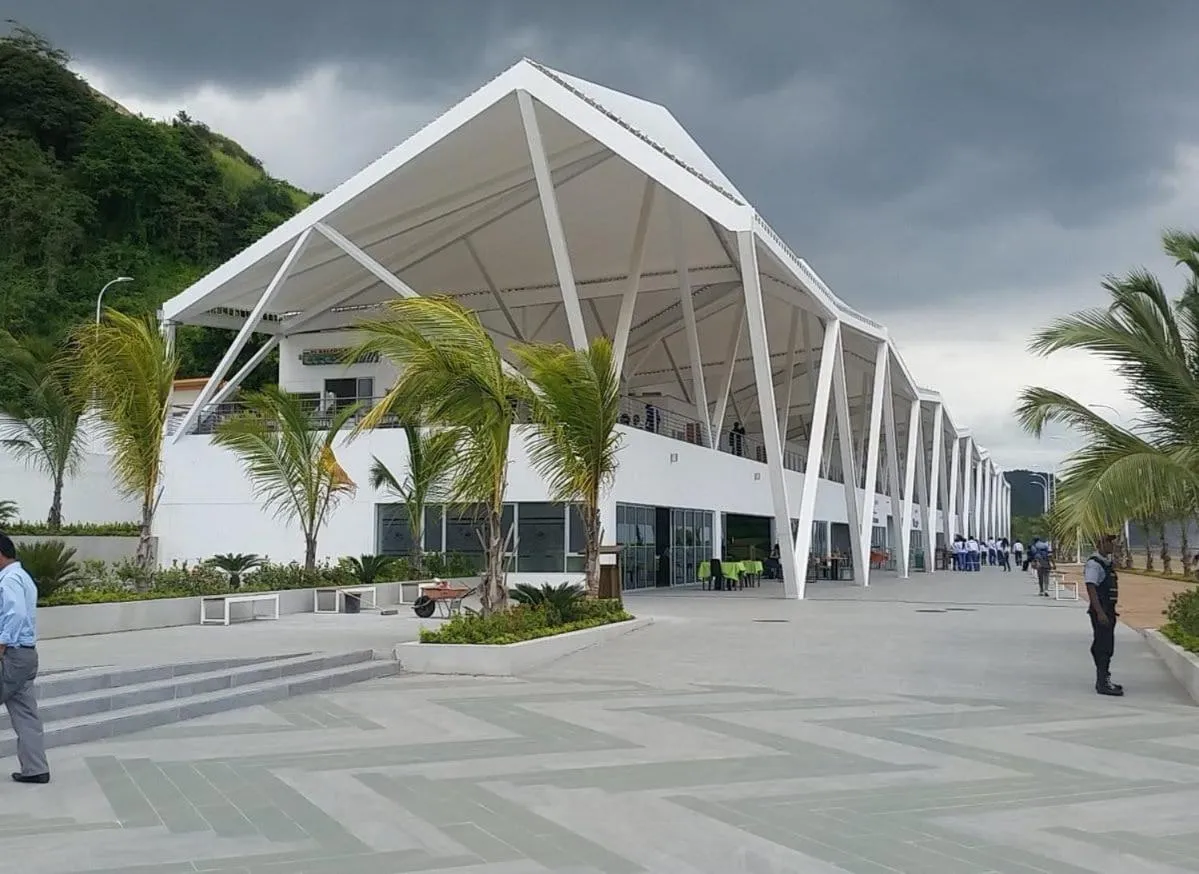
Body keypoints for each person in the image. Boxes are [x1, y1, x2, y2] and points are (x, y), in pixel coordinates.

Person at [0, 532, 49, 784]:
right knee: (25, 713)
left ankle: (35, 768)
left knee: (25, 712)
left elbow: (16, 614)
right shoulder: (23, 577)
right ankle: (35, 768)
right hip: (27, 655)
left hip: (12, 655)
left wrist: (1, 645)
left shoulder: (8, 580)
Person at [1084, 533, 1123, 696]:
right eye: (1109, 542)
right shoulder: (1095, 564)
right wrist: (1100, 612)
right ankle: (1102, 682)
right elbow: (1091, 588)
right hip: (1102, 611)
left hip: (1108, 610)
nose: (1112, 545)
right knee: (1104, 647)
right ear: (1100, 544)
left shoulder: (1106, 564)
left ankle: (1104, 676)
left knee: (1103, 645)